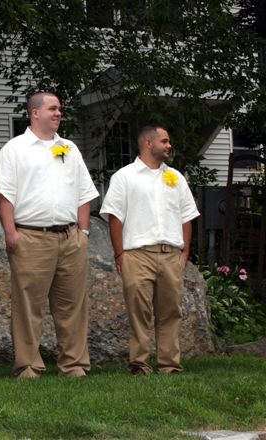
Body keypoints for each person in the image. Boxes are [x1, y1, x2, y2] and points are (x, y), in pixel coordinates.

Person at [0, 92, 99, 378]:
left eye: (59, 109)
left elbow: (84, 193)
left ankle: (74, 364)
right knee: (28, 306)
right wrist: (11, 233)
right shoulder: (15, 149)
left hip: (70, 238)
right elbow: (4, 195)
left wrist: (83, 232)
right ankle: (28, 365)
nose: (58, 113)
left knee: (73, 305)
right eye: (52, 109)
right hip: (31, 237)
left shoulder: (69, 148)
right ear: (35, 113)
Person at [100, 125, 200, 374]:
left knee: (171, 311)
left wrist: (184, 253)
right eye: (164, 141)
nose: (169, 146)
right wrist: (120, 254)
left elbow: (187, 216)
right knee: (139, 311)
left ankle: (169, 364)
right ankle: (139, 363)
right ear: (148, 143)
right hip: (137, 254)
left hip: (170, 254)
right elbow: (115, 217)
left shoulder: (176, 177)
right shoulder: (124, 177)